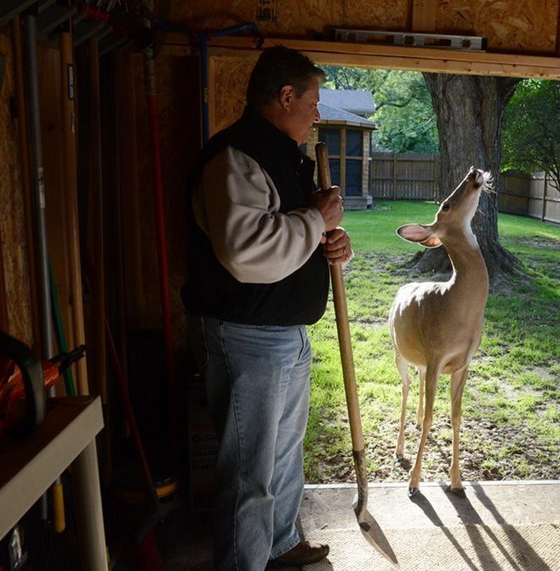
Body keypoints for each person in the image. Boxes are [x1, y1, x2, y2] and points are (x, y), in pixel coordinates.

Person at [182, 46, 351, 571]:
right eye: (313, 101)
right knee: (249, 472)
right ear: (286, 96)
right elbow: (246, 251)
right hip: (245, 334)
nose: (317, 113)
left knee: (282, 458)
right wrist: (314, 223)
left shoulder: (282, 155)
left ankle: (279, 546)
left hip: (284, 334)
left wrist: (330, 243)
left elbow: (295, 232)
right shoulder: (234, 156)